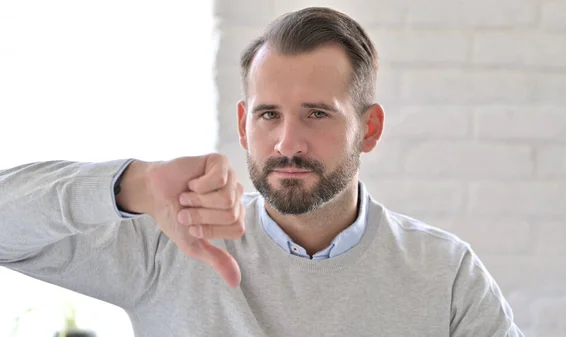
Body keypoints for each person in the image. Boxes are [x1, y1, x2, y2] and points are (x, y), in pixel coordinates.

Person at [0, 7, 523, 337]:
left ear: (369, 129)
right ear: (243, 125)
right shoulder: (170, 244)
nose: (287, 143)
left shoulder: (445, 273)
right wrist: (134, 183)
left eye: (317, 114)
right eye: (268, 114)